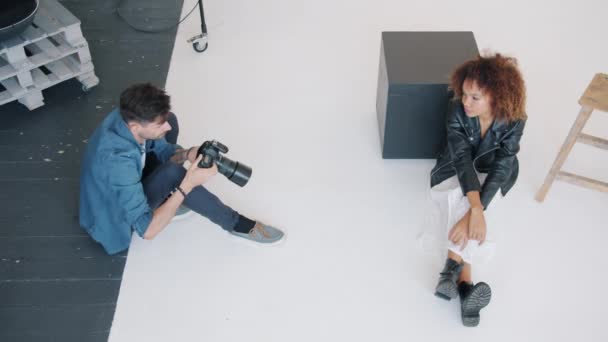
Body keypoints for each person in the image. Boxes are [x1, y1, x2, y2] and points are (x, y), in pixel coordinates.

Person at [79, 83, 284, 255]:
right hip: (115, 213)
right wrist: (187, 185)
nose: (166, 128)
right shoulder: (117, 161)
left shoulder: (128, 117)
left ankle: (169, 197)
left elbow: (161, 147)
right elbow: (147, 230)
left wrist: (187, 153)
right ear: (135, 127)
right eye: (160, 125)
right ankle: (236, 224)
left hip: (133, 176)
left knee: (173, 121)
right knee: (176, 176)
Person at [429, 53, 526, 327]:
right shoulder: (456, 108)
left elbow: (503, 164)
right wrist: (475, 209)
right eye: (465, 94)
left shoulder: (516, 119)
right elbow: (460, 158)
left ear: (496, 96)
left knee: (462, 208)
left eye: (475, 97)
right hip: (453, 168)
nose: (466, 102)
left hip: (495, 175)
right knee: (457, 198)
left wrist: (471, 213)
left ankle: (450, 272)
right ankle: (464, 287)